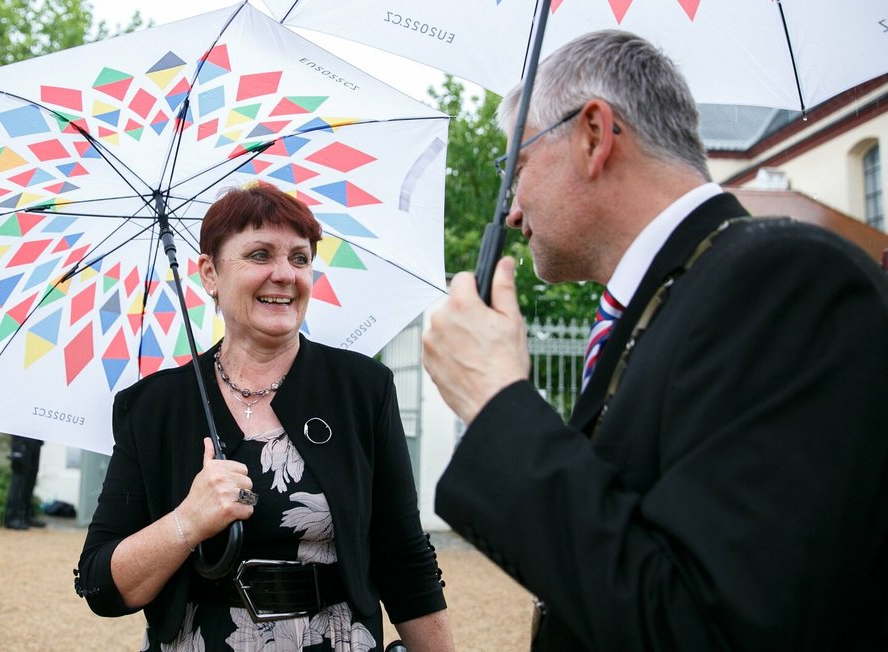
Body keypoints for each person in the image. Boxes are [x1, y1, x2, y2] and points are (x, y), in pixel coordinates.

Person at [422, 30, 888, 651]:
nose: (510, 208)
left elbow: (711, 626)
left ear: (593, 135)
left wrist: (495, 402)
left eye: (519, 166)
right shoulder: (671, 297)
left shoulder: (784, 282)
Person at [76, 183, 454, 651]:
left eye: (300, 258)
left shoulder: (361, 388)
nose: (285, 274)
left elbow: (404, 558)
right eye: (259, 255)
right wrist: (187, 522)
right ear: (209, 273)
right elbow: (101, 586)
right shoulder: (154, 407)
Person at [4, 435, 45, 530]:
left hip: (35, 440)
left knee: (31, 478)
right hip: (21, 441)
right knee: (19, 479)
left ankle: (26, 515)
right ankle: (12, 517)